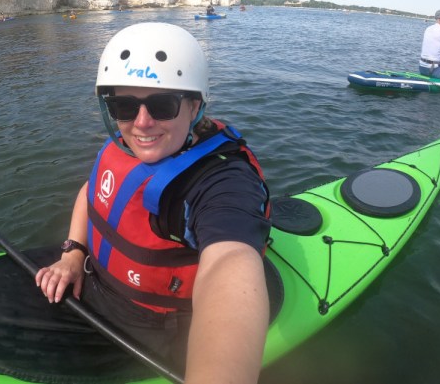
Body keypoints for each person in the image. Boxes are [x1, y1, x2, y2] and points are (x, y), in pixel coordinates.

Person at [35, 22, 271, 383]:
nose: (142, 124)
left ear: (194, 107)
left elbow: (230, 261)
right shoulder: (127, 148)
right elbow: (93, 191)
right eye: (124, 106)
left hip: (152, 323)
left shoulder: (221, 182)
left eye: (162, 105)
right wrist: (72, 252)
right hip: (93, 279)